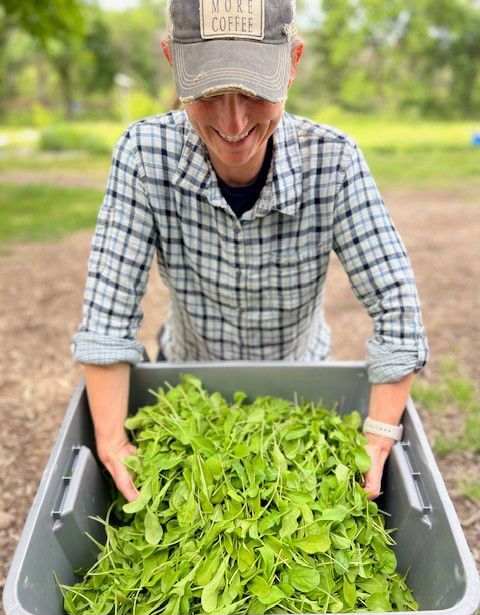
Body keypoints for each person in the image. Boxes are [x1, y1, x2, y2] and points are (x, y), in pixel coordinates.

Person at [70, 0, 429, 505]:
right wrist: (111, 440)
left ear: (293, 62)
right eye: (209, 90)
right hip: (186, 393)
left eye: (256, 89)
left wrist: (376, 438)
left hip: (303, 396)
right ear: (173, 60)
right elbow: (106, 318)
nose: (233, 120)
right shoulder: (143, 154)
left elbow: (398, 308)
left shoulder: (336, 161)